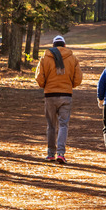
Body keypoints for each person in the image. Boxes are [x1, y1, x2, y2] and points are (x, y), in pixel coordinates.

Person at [35, 35, 83, 164]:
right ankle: (61, 153)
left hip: (50, 95)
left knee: (51, 125)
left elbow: (39, 78)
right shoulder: (72, 58)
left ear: (53, 46)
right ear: (64, 45)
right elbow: (78, 79)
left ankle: (50, 153)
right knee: (63, 125)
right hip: (66, 95)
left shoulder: (45, 58)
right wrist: (69, 85)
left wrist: (46, 86)